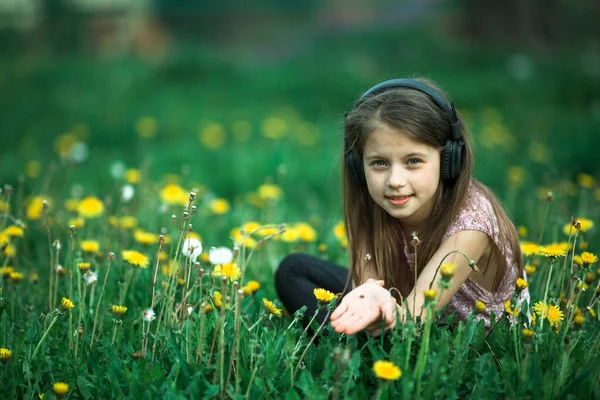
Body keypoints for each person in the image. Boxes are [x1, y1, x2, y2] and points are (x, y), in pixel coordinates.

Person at [274, 77, 529, 336]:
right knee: (292, 270)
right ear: (358, 167)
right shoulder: (374, 203)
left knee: (385, 334)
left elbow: (412, 318)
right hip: (401, 316)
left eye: (413, 161)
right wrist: (370, 300)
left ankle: (346, 351)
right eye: (379, 163)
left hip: (459, 345)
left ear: (449, 159)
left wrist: (380, 314)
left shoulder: (471, 226)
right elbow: (370, 286)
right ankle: (349, 348)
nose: (395, 181)